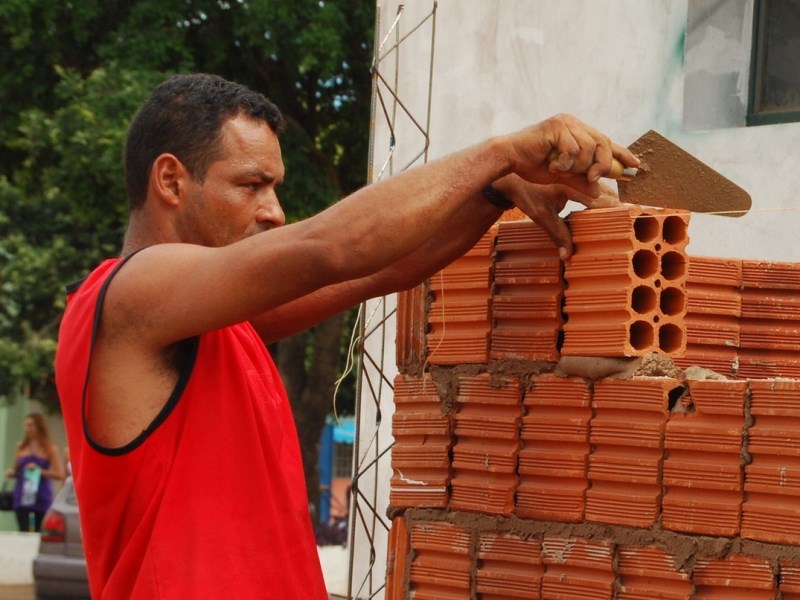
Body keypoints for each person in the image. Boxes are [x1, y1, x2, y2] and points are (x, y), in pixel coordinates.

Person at [54, 73, 638, 599]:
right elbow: (334, 249)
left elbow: (382, 269)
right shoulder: (133, 293)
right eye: (251, 185)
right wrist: (500, 153)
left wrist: (493, 192)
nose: (273, 211)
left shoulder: (213, 318)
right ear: (171, 181)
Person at [3, 413, 65, 532]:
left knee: (40, 531)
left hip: (41, 495)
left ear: (39, 427)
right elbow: (16, 470)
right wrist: (11, 473)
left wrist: (39, 471)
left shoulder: (49, 448)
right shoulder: (21, 447)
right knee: (24, 530)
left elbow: (59, 474)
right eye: (26, 425)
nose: (28, 429)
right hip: (22, 495)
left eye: (31, 425)